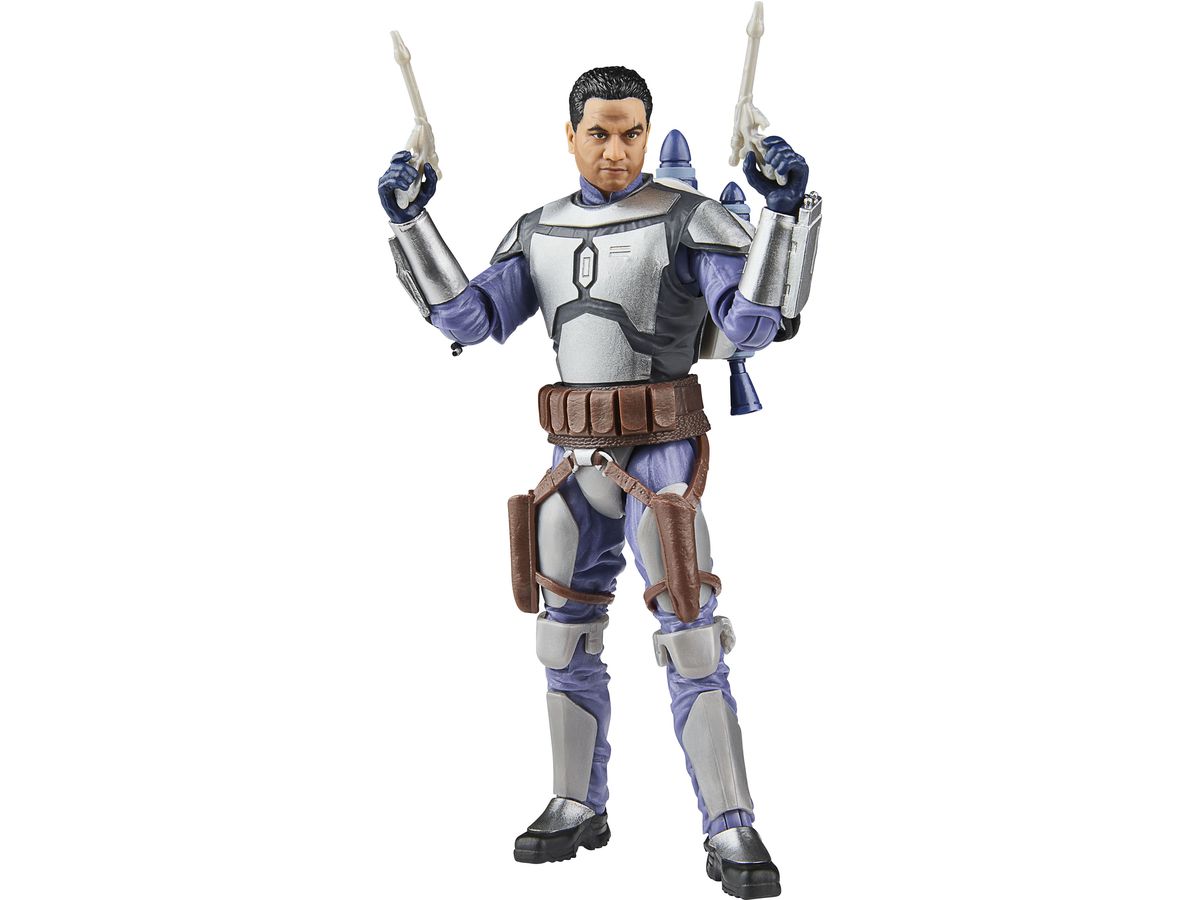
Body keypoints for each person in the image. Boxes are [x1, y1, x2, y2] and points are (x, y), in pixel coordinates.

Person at [379, 66, 819, 900]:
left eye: (631, 133)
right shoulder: (538, 229)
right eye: (599, 133)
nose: (616, 150)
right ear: (571, 134)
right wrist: (409, 220)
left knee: (692, 635)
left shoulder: (689, 219)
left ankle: (729, 824)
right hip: (572, 461)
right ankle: (575, 802)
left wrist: (785, 215)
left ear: (647, 131)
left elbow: (751, 324)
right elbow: (468, 318)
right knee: (563, 637)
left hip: (660, 455)